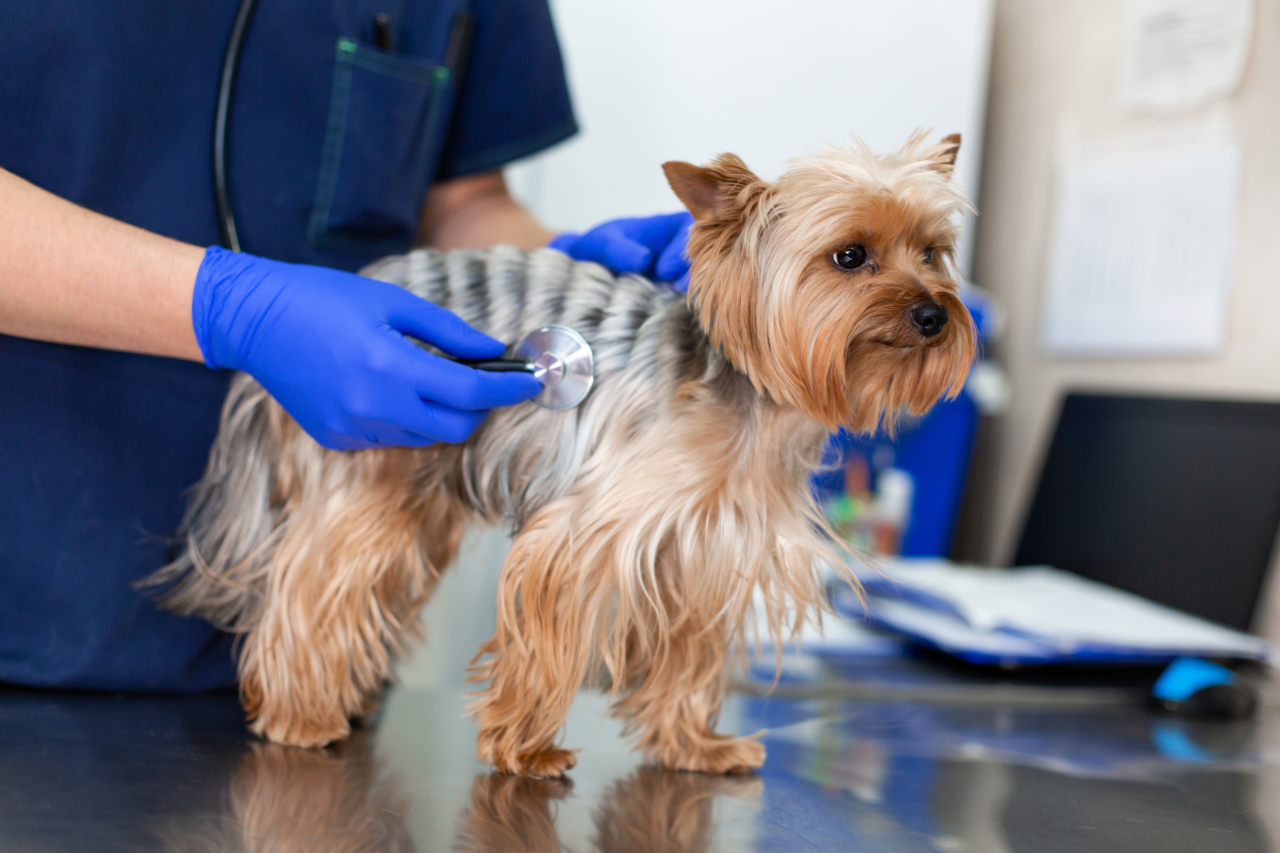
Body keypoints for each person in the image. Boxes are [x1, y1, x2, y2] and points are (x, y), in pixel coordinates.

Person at [0, 1, 690, 692]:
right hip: (30, 576)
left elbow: (460, 203)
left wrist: (567, 289)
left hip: (325, 645)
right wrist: (225, 307)